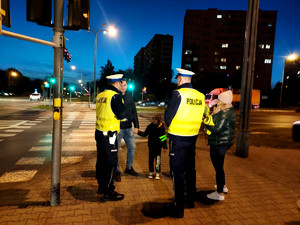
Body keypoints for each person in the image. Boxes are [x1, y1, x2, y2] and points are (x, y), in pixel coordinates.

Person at [164, 68, 209, 218]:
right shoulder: (200, 96)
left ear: (181, 79)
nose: (177, 81)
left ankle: (178, 207)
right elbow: (204, 114)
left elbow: (168, 118)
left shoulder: (178, 94)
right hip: (192, 137)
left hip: (178, 138)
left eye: (177, 78)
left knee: (177, 173)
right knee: (190, 169)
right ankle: (190, 199)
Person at [95, 74, 126, 202]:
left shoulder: (100, 95)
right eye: (120, 83)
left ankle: (101, 187)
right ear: (117, 83)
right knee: (110, 163)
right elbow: (121, 114)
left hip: (99, 132)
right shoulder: (115, 96)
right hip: (110, 135)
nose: (121, 85)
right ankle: (108, 191)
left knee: (101, 161)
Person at [204, 90, 236, 201]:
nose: (217, 103)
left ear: (223, 102)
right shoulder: (227, 111)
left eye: (219, 101)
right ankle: (223, 186)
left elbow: (217, 129)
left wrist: (206, 123)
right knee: (219, 167)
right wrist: (214, 114)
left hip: (219, 143)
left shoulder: (225, 114)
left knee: (218, 168)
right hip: (222, 142)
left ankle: (219, 193)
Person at [114, 79, 139, 181]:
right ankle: (116, 171)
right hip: (118, 128)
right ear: (118, 85)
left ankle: (129, 168)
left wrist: (136, 125)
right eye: (121, 85)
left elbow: (134, 111)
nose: (123, 87)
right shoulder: (115, 96)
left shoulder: (129, 96)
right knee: (115, 151)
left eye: (125, 85)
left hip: (129, 128)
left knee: (132, 148)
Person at [137, 114, 168, 180]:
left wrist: (164, 146)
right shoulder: (150, 126)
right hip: (151, 146)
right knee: (150, 160)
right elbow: (145, 134)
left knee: (157, 160)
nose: (154, 120)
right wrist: (138, 132)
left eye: (155, 119)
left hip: (158, 146)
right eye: (153, 119)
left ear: (158, 120)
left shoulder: (161, 127)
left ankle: (157, 173)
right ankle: (151, 172)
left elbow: (163, 138)